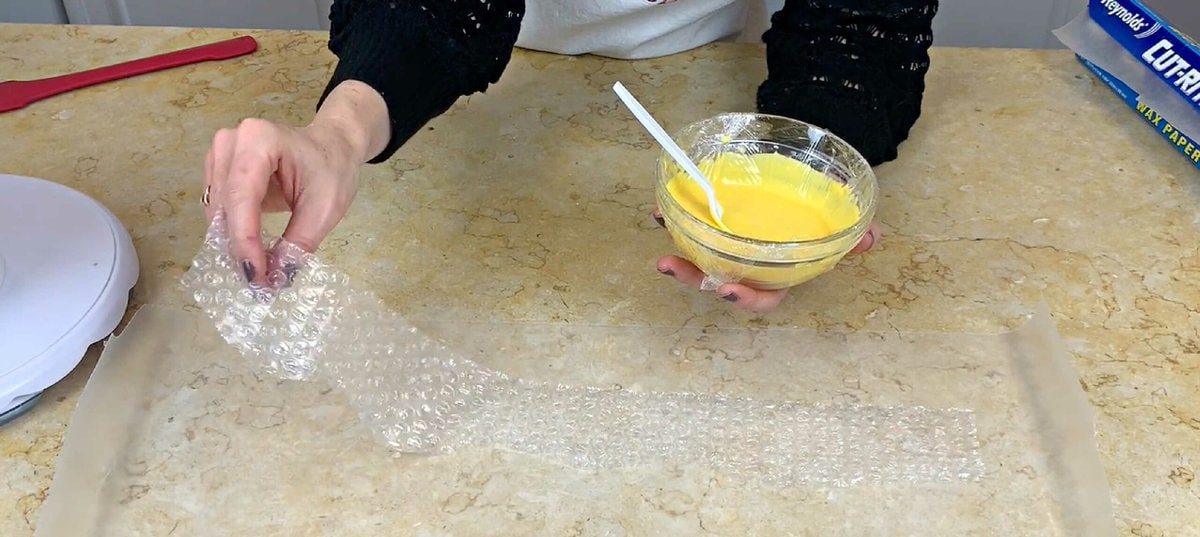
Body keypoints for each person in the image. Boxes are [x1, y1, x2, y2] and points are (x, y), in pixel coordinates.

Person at [203, 0, 937, 312]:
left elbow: (862, 22)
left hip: (713, 53)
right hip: (491, 56)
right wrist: (340, 133)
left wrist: (810, 159)